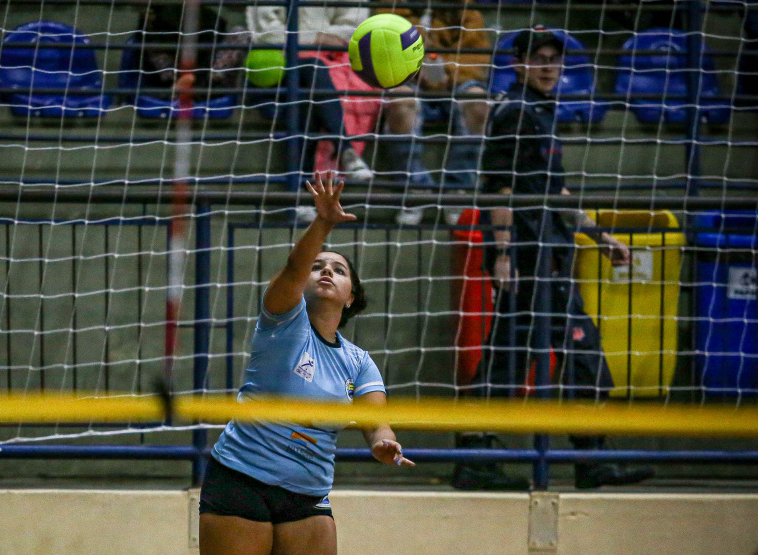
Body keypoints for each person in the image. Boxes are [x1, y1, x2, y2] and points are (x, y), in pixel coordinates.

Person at [452, 27, 655, 491]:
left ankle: (585, 458)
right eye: (538, 58)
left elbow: (556, 192)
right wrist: (503, 254)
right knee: (520, 359)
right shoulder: (515, 113)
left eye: (554, 59)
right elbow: (498, 187)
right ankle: (481, 459)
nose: (548, 66)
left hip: (550, 258)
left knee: (557, 356)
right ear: (519, 64)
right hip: (527, 258)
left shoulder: (542, 113)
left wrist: (599, 236)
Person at [199, 172, 415, 555]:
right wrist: (323, 223)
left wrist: (383, 442)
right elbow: (294, 267)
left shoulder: (358, 361)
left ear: (351, 298)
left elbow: (374, 421)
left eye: (339, 269)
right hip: (241, 479)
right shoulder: (282, 320)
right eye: (319, 266)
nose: (327, 271)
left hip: (308, 492)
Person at [246, 6, 435, 223]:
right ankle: (345, 151)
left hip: (322, 65)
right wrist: (317, 37)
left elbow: (353, 27)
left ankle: (302, 196)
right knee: (312, 73)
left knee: (310, 91)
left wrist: (322, 40)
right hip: (276, 63)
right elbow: (266, 34)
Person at [378, 0, 491, 224]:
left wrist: (447, 71)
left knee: (478, 104)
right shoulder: (390, 5)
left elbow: (477, 58)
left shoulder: (466, 8)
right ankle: (415, 190)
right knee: (400, 102)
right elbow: (381, 48)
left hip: (454, 80)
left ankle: (458, 189)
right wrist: (416, 68)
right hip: (406, 77)